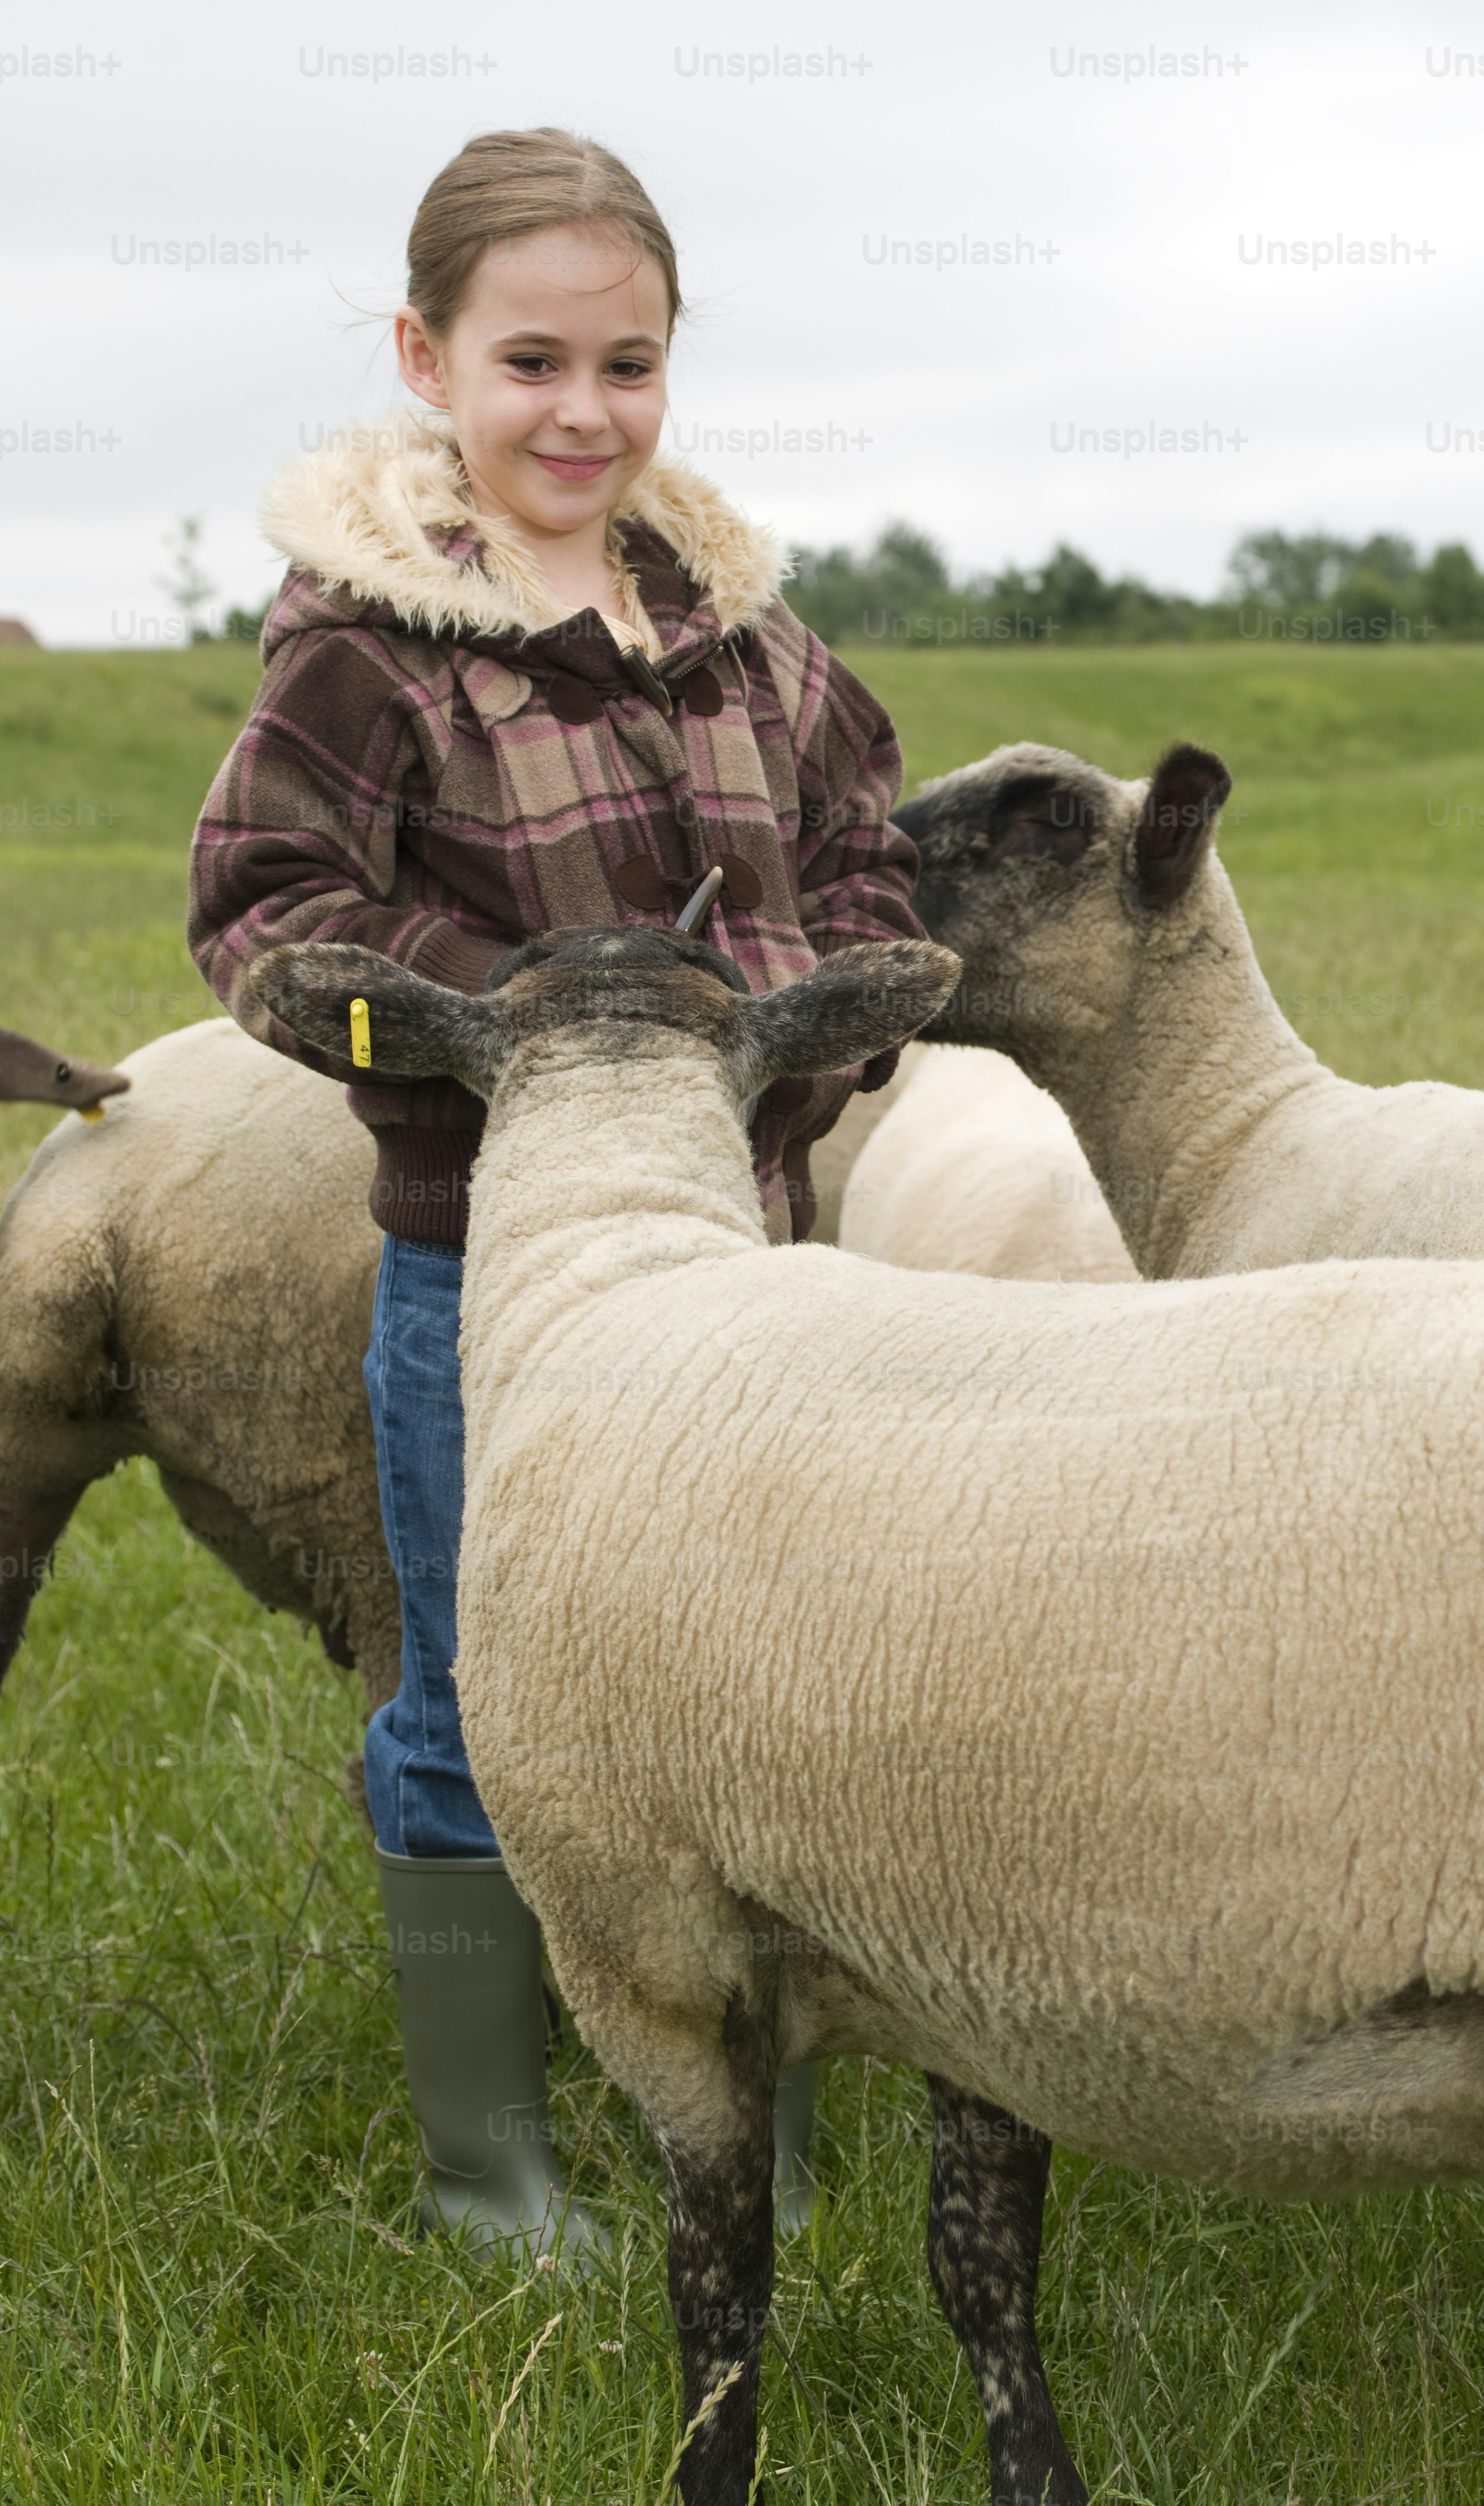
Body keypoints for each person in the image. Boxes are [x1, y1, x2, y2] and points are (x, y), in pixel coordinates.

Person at [189, 126, 918, 2261]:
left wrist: (790, 1022)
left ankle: (740, 2126)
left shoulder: (748, 641)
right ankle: (486, 2166)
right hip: (479, 1273)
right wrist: (518, 1027)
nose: (580, 412)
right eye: (530, 362)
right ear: (426, 361)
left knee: (754, 1675)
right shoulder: (369, 644)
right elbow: (263, 910)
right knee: (470, 1690)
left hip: (753, 1258)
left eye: (627, 363)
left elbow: (864, 859)